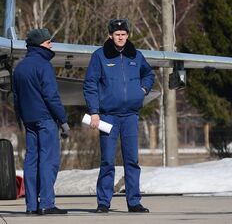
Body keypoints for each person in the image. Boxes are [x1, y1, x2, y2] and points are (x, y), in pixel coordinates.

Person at [83, 19, 155, 213]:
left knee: (132, 160)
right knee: (107, 160)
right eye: (117, 34)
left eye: (123, 34)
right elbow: (90, 84)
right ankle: (103, 202)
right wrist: (94, 112)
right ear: (110, 36)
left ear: (128, 35)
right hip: (108, 116)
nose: (121, 37)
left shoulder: (136, 56)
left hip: (130, 116)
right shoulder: (100, 56)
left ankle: (134, 202)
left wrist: (143, 89)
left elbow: (149, 75)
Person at [12, 28, 69, 215]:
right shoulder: (44, 66)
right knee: (48, 160)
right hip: (45, 119)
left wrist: (22, 117)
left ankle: (31, 205)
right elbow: (51, 96)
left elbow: (16, 98)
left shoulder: (19, 67)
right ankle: (46, 203)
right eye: (48, 42)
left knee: (31, 161)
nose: (51, 45)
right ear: (39, 44)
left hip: (29, 120)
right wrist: (63, 120)